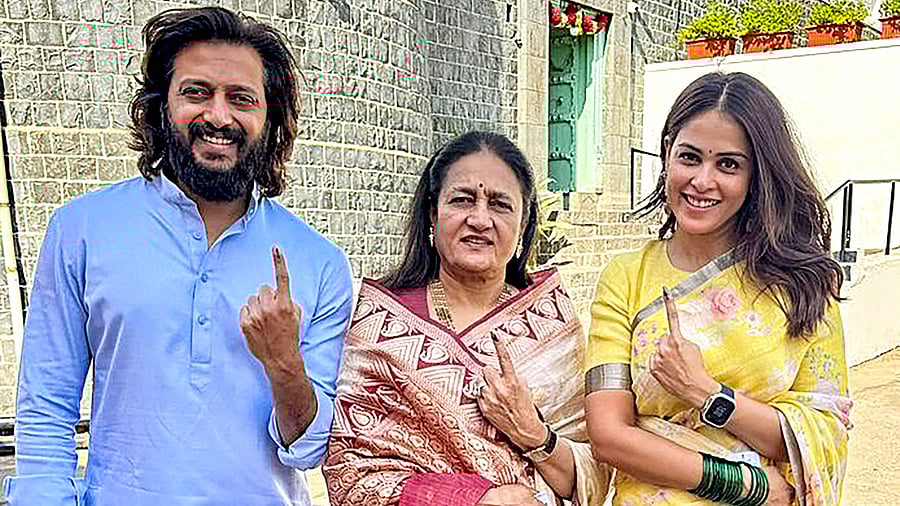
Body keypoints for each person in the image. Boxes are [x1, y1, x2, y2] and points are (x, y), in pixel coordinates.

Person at [5, 7, 353, 505]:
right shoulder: (82, 229)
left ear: (268, 117)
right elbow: (46, 407)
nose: (218, 115)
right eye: (196, 93)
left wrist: (284, 363)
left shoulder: (317, 262)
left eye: (241, 99)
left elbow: (308, 450)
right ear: (160, 105)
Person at [583, 71, 852, 506]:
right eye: (690, 157)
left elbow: (820, 433)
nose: (702, 181)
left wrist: (706, 392)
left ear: (756, 175)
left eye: (728, 164)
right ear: (668, 152)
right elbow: (609, 436)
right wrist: (750, 487)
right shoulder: (625, 277)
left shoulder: (804, 286)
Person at [323, 131, 610, 506]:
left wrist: (533, 434)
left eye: (500, 205)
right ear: (432, 214)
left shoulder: (553, 325)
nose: (480, 219)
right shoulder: (379, 325)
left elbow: (594, 479)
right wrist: (477, 499)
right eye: (461, 200)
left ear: (523, 226)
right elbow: (351, 476)